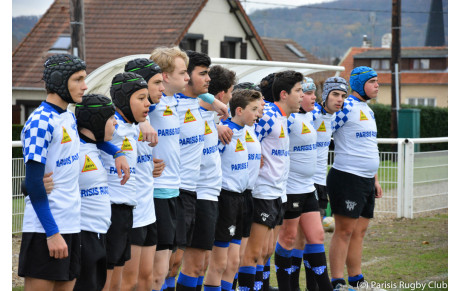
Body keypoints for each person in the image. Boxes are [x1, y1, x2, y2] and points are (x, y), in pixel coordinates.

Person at [18, 54, 129, 291]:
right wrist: (52, 233)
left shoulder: (68, 116)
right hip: (45, 231)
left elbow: (88, 139)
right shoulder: (40, 121)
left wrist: (116, 151)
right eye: (78, 79)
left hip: (72, 228)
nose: (85, 86)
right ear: (59, 80)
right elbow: (34, 182)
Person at [238, 70, 303, 290]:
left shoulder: (284, 118)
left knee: (266, 252)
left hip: (278, 192)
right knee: (253, 253)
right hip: (262, 191)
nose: (302, 95)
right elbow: (244, 133)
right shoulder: (267, 115)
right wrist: (253, 159)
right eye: (299, 90)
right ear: (284, 94)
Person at [327, 66, 383, 290]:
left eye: (378, 81)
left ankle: (357, 281)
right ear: (360, 84)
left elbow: (369, 147)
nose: (377, 85)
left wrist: (375, 180)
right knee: (344, 231)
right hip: (347, 177)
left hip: (367, 180)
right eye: (372, 81)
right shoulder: (346, 106)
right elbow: (323, 131)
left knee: (359, 232)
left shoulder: (367, 110)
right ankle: (337, 282)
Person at [205, 89, 262, 291]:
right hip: (226, 198)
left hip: (243, 198)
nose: (258, 114)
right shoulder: (224, 131)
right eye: (254, 109)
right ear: (239, 110)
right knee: (219, 263)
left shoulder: (247, 130)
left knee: (234, 261)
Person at [100, 72, 151, 291]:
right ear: (121, 99)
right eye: (141, 98)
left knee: (119, 282)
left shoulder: (133, 125)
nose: (147, 103)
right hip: (110, 210)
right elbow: (86, 137)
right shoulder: (110, 124)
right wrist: (116, 151)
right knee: (106, 280)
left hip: (129, 209)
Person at [120, 58, 166, 291]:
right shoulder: (119, 124)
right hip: (132, 214)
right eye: (157, 82)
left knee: (147, 279)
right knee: (128, 282)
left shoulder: (146, 115)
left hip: (148, 211)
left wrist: (150, 165)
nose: (162, 88)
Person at [195, 64, 236, 291]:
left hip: (212, 194)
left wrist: (218, 123)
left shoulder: (214, 119)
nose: (230, 99)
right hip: (198, 194)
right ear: (221, 95)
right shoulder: (193, 114)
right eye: (230, 93)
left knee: (204, 265)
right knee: (191, 265)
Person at [73, 94, 117, 291]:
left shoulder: (95, 147)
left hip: (100, 233)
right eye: (110, 118)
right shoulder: (76, 153)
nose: (116, 123)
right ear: (97, 120)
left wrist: (118, 152)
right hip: (84, 235)